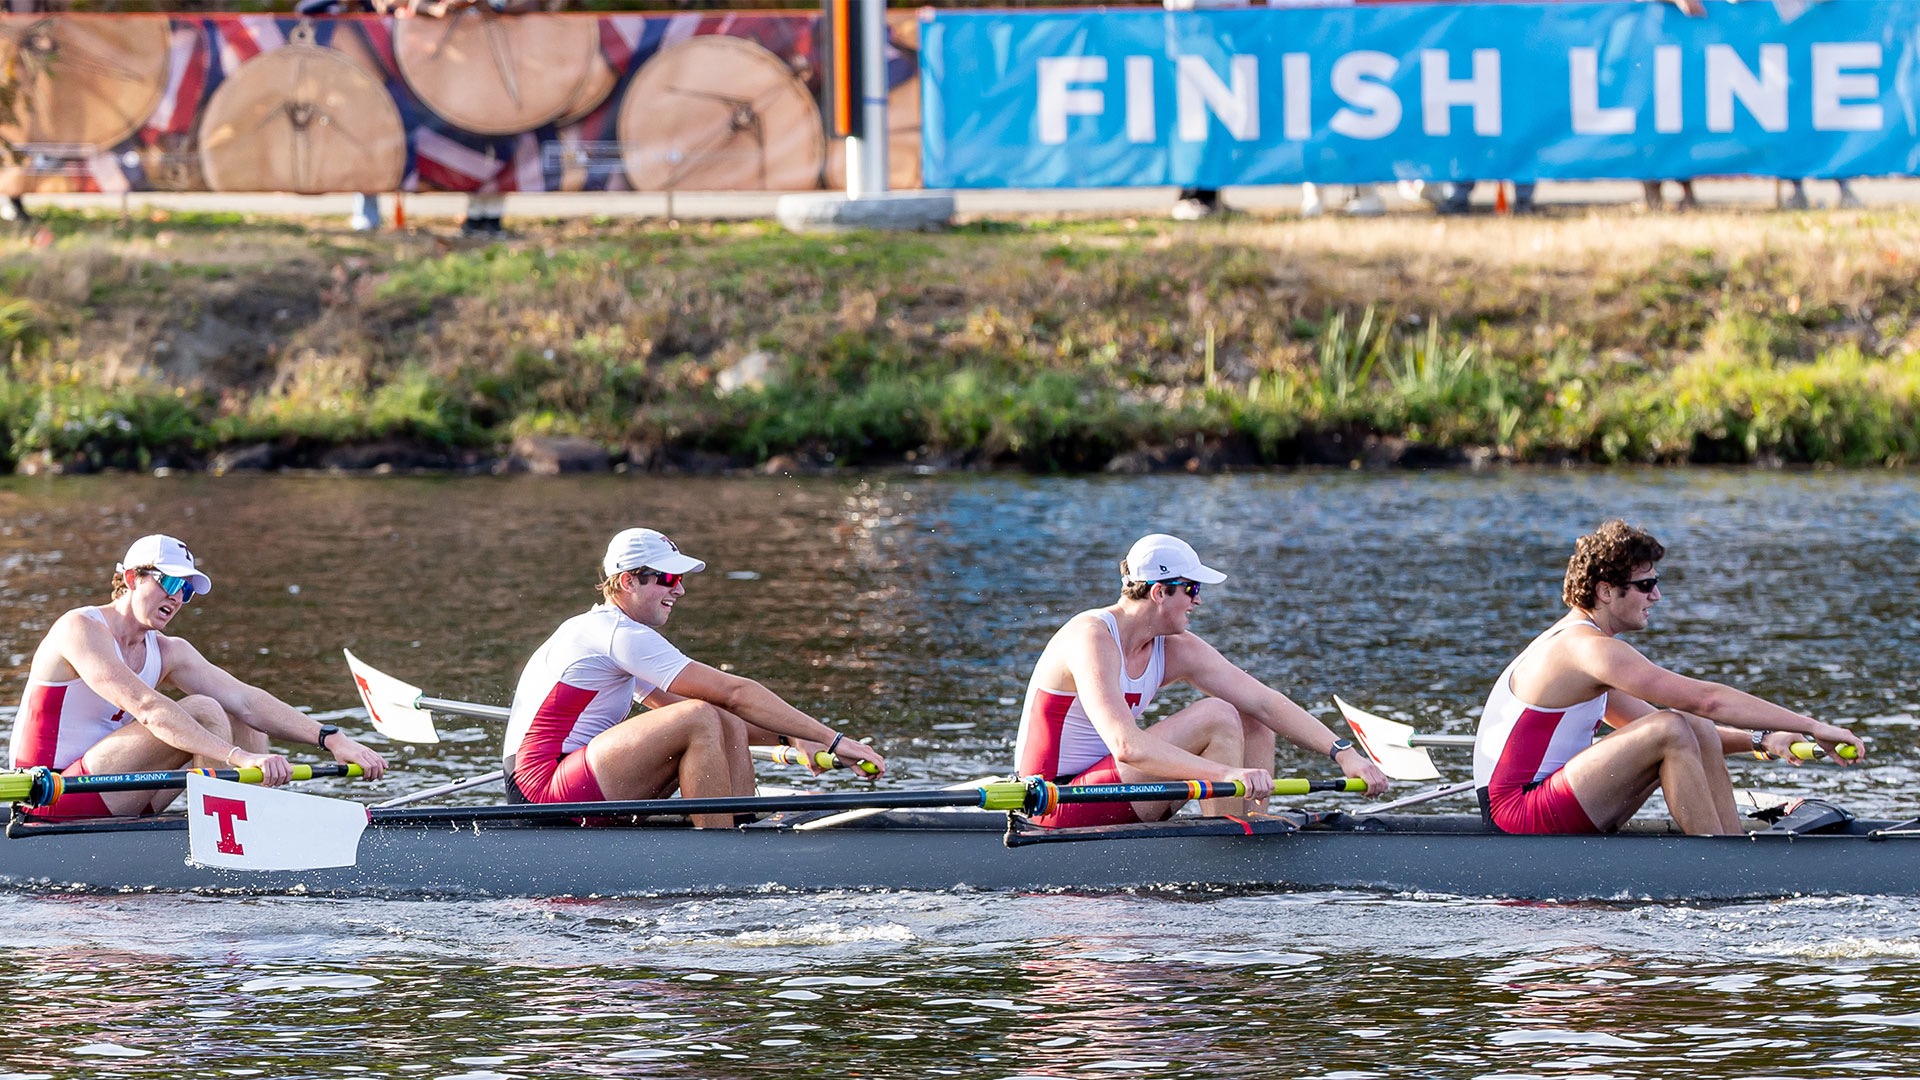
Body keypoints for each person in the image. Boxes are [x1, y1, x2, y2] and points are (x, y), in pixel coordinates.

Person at [1473, 519, 1866, 836]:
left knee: (1687, 724)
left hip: (1544, 800)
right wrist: (1814, 726)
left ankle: (1729, 849)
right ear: (1606, 591)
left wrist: (1764, 740)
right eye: (1645, 586)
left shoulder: (1586, 653)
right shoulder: (1586, 649)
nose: (1656, 597)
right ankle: (1718, 867)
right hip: (1518, 811)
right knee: (1674, 725)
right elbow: (1706, 700)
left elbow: (1685, 726)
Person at [500, 527, 887, 827]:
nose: (680, 589)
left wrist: (793, 735)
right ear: (627, 581)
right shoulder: (615, 633)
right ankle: (718, 851)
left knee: (718, 718)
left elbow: (712, 709)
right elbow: (734, 691)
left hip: (568, 781)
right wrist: (833, 740)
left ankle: (740, 829)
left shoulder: (612, 635)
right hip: (541, 788)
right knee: (704, 716)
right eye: (667, 579)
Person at [1013, 533, 1389, 828]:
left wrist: (1345, 754)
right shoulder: (1091, 637)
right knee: (1216, 715)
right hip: (1052, 802)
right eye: (1192, 589)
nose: (1198, 601)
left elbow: (1265, 702)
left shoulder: (1174, 647)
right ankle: (1231, 849)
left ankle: (1249, 825)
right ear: (1159, 592)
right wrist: (1227, 774)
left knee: (1249, 717)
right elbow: (1127, 746)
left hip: (1107, 787)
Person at [8, 535, 389, 819]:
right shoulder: (80, 628)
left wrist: (332, 738)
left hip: (119, 788)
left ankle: (246, 821)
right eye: (170, 583)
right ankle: (226, 827)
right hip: (48, 796)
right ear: (130, 577)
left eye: (186, 591)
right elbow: (147, 708)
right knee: (204, 709)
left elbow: (247, 700)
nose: (177, 599)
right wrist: (239, 758)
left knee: (233, 710)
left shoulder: (169, 651)